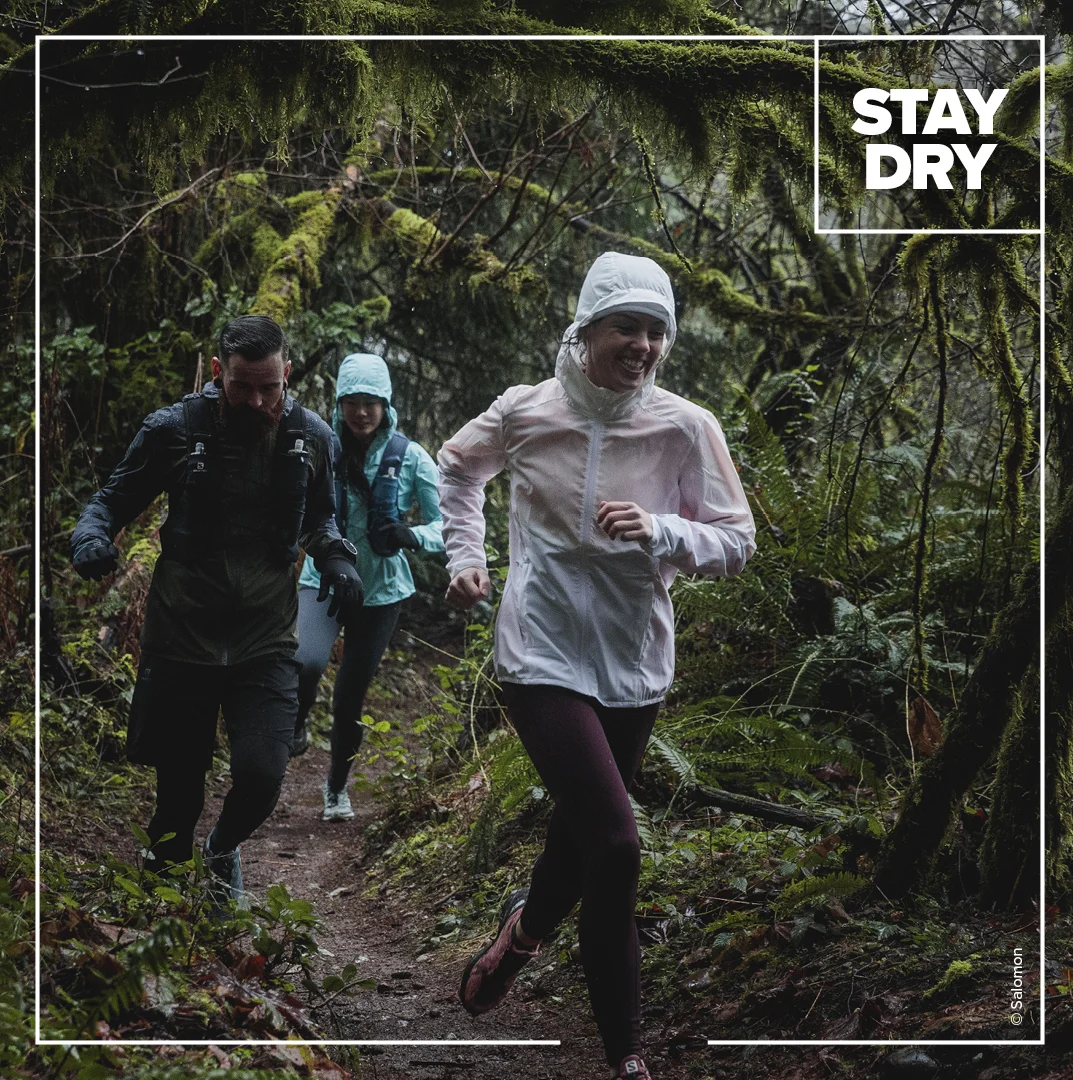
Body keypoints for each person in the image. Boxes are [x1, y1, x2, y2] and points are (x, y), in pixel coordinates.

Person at [437, 251, 756, 1080]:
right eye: (628, 326)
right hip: (538, 650)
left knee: (578, 840)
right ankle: (628, 1056)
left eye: (658, 330)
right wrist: (463, 557)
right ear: (586, 331)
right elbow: (459, 467)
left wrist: (663, 529)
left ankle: (523, 934)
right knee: (615, 844)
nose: (644, 344)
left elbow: (737, 540)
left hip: (634, 658)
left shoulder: (686, 427)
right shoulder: (524, 413)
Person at [70, 315, 363, 906]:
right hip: (183, 636)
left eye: (269, 388)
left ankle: (222, 849)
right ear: (216, 373)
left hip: (265, 637)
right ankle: (160, 922)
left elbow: (321, 516)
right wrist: (90, 540)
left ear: (287, 372)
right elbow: (109, 500)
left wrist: (337, 559)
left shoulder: (313, 438)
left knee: (262, 774)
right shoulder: (174, 430)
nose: (257, 401)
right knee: (177, 796)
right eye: (241, 387)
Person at [291, 352, 444, 821]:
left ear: (386, 405)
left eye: (371, 402)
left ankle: (336, 787)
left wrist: (414, 535)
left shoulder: (411, 457)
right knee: (307, 661)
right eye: (352, 401)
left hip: (381, 593)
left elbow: (449, 525)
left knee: (351, 694)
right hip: (323, 579)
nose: (361, 412)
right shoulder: (320, 447)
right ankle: (294, 724)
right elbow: (292, 511)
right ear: (339, 404)